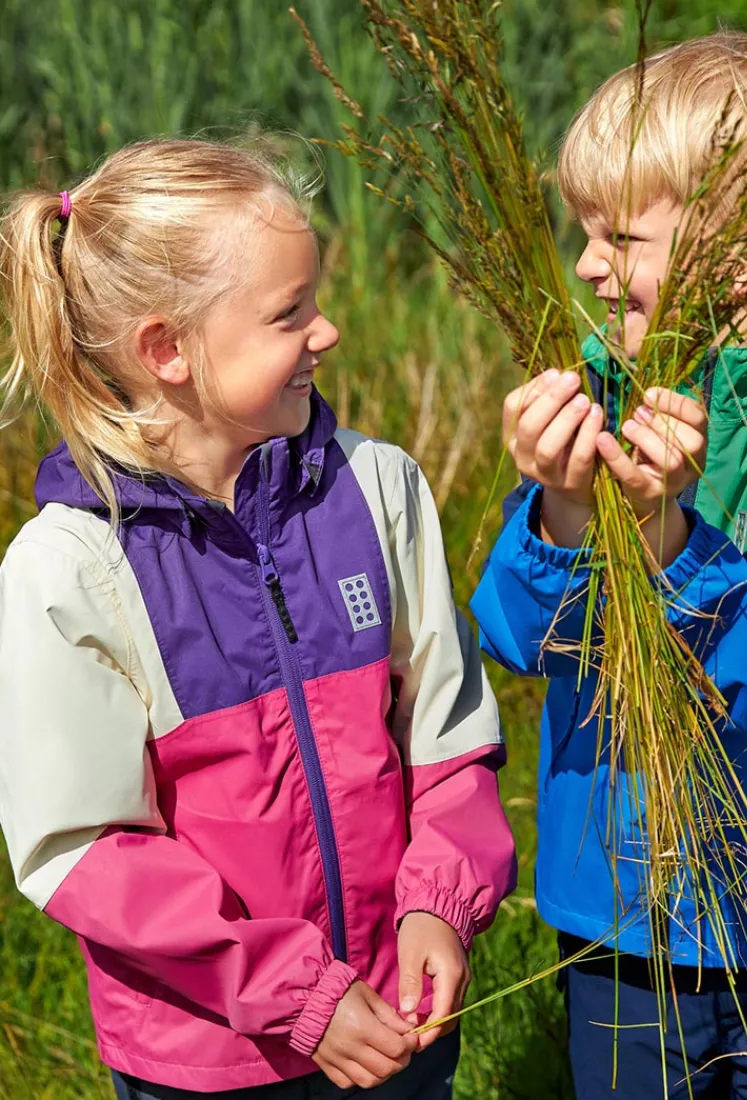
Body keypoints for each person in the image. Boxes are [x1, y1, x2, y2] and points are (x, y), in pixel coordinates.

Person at [0, 138, 516, 1099]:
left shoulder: (379, 489)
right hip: (210, 1062)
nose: (326, 333)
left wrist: (440, 907)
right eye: (290, 314)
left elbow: (444, 733)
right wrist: (297, 998)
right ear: (168, 351)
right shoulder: (69, 569)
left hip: (400, 1017)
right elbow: (83, 848)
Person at [471, 29, 747, 1100]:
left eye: (618, 236)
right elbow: (514, 634)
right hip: (626, 907)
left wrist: (672, 541)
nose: (584, 265)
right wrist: (564, 507)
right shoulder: (594, 394)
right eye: (582, 232)